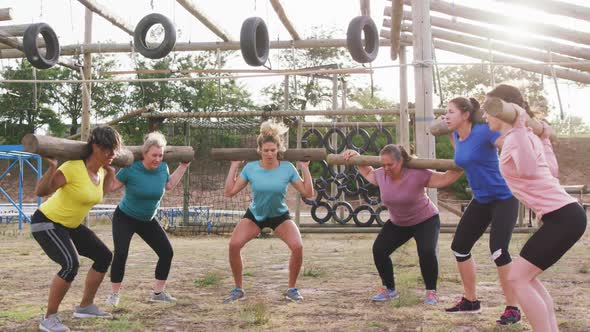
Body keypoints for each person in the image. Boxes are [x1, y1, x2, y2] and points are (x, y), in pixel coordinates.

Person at [483, 84, 586, 331]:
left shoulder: (518, 137)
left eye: (488, 109)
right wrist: (545, 138)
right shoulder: (526, 137)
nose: (485, 115)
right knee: (525, 277)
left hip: (563, 217)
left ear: (503, 110)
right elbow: (551, 171)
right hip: (566, 216)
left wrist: (519, 126)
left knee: (518, 277)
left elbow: (528, 171)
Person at [342, 145, 463, 305]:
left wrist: (464, 164)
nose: (386, 168)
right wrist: (356, 155)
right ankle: (390, 289)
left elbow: (445, 178)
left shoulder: (417, 173)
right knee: (379, 250)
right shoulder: (381, 175)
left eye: (390, 164)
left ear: (401, 162)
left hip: (425, 220)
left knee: (426, 251)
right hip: (399, 222)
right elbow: (368, 171)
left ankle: (431, 292)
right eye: (383, 164)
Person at [32, 126, 122, 332]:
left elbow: (103, 192)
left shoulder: (100, 171)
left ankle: (85, 307)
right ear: (95, 146)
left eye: (114, 150)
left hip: (70, 225)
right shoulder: (72, 167)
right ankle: (49, 318)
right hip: (47, 222)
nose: (112, 154)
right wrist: (52, 167)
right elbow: (41, 191)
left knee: (103, 256)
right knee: (70, 264)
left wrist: (111, 171)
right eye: (108, 149)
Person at [444, 96, 522, 325]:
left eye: (450, 112)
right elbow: (465, 157)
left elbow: (509, 146)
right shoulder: (457, 134)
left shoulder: (484, 131)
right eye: (445, 112)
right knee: (459, 247)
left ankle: (513, 308)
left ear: (466, 115)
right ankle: (470, 301)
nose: (445, 116)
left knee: (498, 250)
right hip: (481, 199)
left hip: (504, 197)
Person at [222, 120, 314, 303]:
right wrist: (234, 166)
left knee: (298, 246)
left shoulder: (287, 167)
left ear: (278, 149)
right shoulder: (251, 168)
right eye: (266, 150)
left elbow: (308, 193)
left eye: (273, 150)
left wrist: (305, 168)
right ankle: (238, 289)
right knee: (234, 245)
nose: (270, 153)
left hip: (279, 216)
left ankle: (292, 290)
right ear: (260, 151)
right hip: (255, 215)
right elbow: (229, 192)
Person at [105, 132, 190, 307]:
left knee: (167, 252)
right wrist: (108, 170)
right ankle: (114, 295)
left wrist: (183, 166)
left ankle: (158, 293)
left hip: (147, 219)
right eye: (154, 155)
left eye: (160, 155)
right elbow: (112, 187)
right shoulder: (131, 167)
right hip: (125, 217)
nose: (158, 159)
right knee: (121, 254)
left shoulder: (163, 167)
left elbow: (168, 185)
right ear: (144, 154)